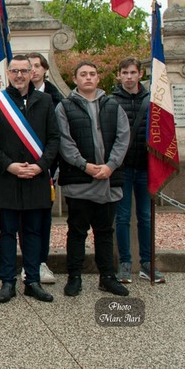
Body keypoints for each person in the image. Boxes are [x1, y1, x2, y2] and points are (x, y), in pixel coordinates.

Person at [0, 55, 60, 303]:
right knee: (7, 233)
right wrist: (10, 166)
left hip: (36, 178)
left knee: (34, 232)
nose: (19, 75)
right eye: (14, 71)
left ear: (32, 73)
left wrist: (40, 167)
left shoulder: (46, 101)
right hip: (8, 178)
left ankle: (33, 281)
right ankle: (7, 282)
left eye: (23, 71)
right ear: (8, 73)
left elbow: (54, 140)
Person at [56, 61, 131, 297]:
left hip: (109, 180)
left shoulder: (113, 105)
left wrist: (110, 166)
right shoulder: (65, 107)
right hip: (79, 181)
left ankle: (107, 277)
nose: (88, 77)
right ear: (75, 80)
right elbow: (64, 141)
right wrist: (84, 165)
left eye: (92, 74)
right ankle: (74, 277)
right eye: (83, 74)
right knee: (77, 231)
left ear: (98, 79)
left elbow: (122, 138)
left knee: (105, 231)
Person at [111, 58, 165, 284]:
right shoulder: (112, 101)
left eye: (133, 72)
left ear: (140, 73)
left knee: (145, 217)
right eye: (125, 72)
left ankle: (147, 262)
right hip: (123, 168)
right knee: (122, 218)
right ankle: (125, 263)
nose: (129, 77)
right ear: (119, 75)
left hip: (146, 167)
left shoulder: (152, 99)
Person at [25, 52, 64, 285]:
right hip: (20, 168)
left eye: (37, 66)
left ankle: (40, 261)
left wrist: (45, 165)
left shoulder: (55, 98)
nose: (33, 70)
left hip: (46, 168)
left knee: (43, 218)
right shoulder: (14, 98)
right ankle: (27, 263)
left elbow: (56, 136)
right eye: (29, 66)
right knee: (21, 220)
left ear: (45, 69)